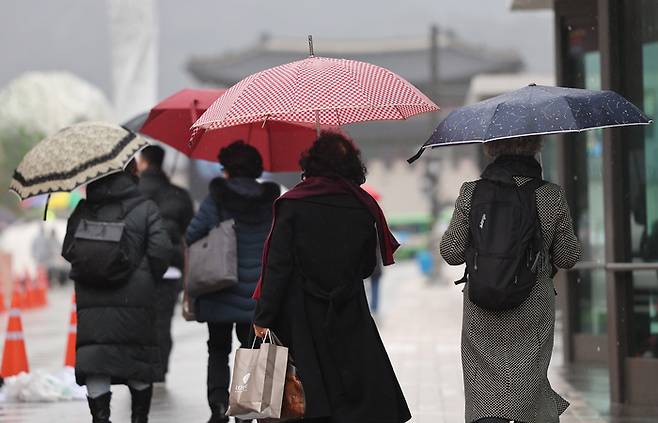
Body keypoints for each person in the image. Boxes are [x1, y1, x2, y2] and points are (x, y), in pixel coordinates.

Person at [252, 132, 412, 423]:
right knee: (352, 394)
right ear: (352, 166)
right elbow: (366, 266)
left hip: (301, 315)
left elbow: (278, 266)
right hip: (348, 309)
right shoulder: (362, 205)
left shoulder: (292, 204)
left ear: (310, 164)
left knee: (311, 396)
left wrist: (264, 316)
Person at [440, 136, 582, 423]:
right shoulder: (550, 195)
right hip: (532, 306)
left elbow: (451, 252)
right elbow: (567, 257)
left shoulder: (471, 192)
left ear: (491, 148)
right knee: (528, 377)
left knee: (485, 384)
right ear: (535, 148)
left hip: (483, 304)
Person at [62, 164, 172, 423]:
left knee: (97, 358)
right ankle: (138, 419)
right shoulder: (146, 208)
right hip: (137, 298)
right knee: (137, 358)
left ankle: (101, 418)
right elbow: (161, 252)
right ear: (132, 175)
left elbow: (69, 249)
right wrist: (147, 278)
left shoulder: (83, 209)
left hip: (92, 297)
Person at [185, 141, 280, 423]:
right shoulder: (270, 201)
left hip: (219, 285)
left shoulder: (216, 199)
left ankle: (217, 406)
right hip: (255, 290)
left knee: (217, 348)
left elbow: (192, 234)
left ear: (226, 169)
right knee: (250, 349)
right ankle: (245, 409)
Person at [136, 145, 194, 382]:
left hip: (138, 269)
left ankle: (141, 368)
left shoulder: (133, 192)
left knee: (138, 319)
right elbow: (190, 233)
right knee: (162, 322)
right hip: (169, 270)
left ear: (144, 162)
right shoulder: (178, 194)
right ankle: (160, 370)